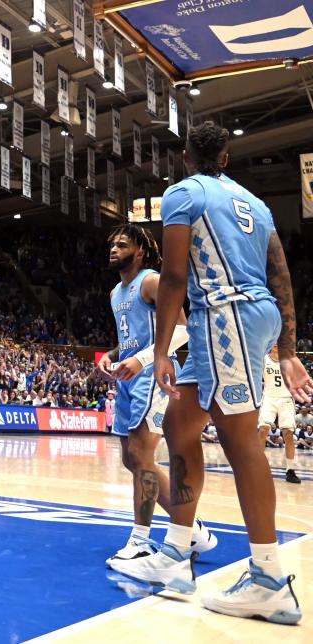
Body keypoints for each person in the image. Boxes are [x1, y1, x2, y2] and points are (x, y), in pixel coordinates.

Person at [110, 121, 313, 624]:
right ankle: (177, 554)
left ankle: (269, 577)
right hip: (238, 317)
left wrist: (160, 352)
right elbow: (281, 273)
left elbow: (175, 274)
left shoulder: (183, 193)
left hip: (227, 317)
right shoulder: (257, 205)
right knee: (179, 425)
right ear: (224, 158)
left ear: (185, 157)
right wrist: (287, 347)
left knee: (241, 438)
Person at [97, 224, 215, 569]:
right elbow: (130, 338)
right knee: (131, 460)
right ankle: (191, 527)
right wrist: (113, 354)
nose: (114, 249)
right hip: (128, 378)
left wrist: (142, 359)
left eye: (122, 244)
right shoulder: (115, 293)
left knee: (140, 453)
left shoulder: (151, 281)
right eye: (112, 244)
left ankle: (140, 540)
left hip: (153, 375)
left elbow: (181, 329)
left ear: (141, 251)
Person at [257, 348, 301, 484]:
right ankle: (257, 467)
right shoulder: (263, 359)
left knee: (288, 433)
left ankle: (290, 470)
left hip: (286, 398)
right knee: (263, 430)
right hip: (269, 398)